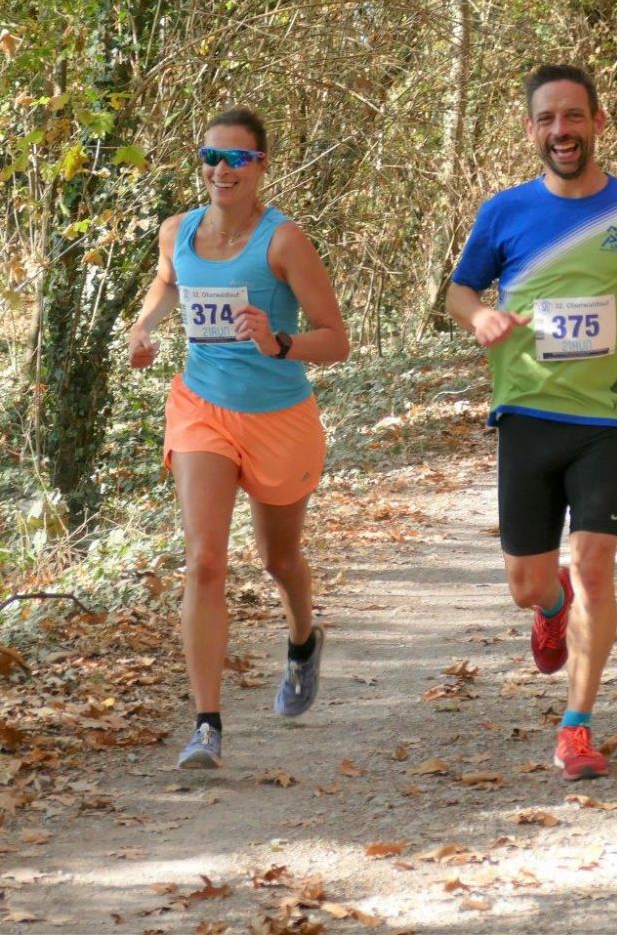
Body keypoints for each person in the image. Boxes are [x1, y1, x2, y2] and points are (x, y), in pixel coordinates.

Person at [446, 64, 617, 782]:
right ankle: (550, 604)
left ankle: (576, 726)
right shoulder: (504, 211)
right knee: (527, 585)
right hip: (526, 413)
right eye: (547, 119)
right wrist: (480, 316)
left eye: (573, 116)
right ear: (532, 129)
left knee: (595, 565)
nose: (560, 130)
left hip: (604, 419)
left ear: (597, 122)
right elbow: (460, 290)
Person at [128, 106, 349, 769]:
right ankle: (207, 726)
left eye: (237, 158)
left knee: (279, 560)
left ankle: (303, 639)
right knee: (204, 561)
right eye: (211, 157)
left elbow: (335, 340)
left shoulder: (284, 242)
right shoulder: (177, 231)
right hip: (202, 408)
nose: (222, 169)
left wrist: (279, 341)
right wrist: (144, 326)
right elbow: (168, 282)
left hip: (279, 417)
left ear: (260, 167)